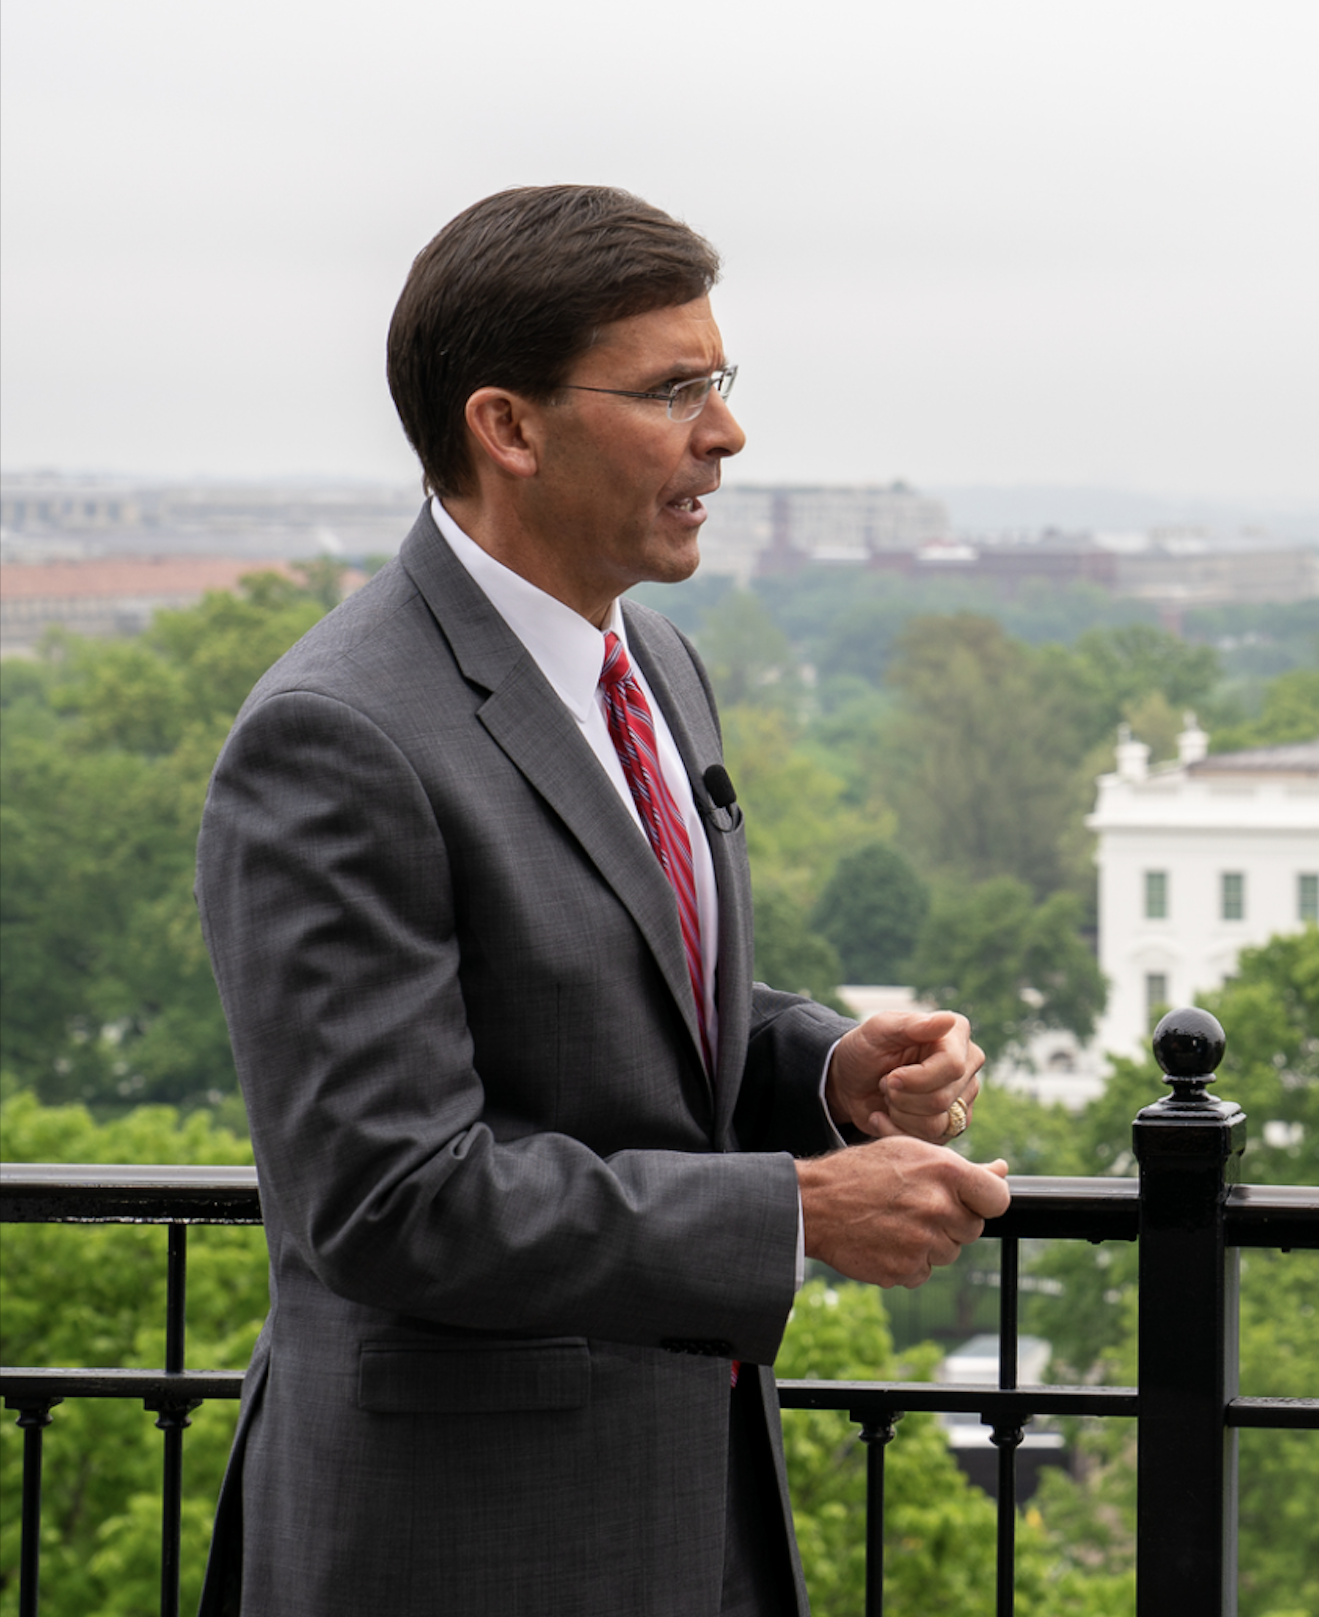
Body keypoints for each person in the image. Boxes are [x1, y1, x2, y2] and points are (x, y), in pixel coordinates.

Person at [194, 185, 1013, 1616]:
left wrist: (820, 1063)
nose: (727, 433)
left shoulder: (656, 666)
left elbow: (606, 979)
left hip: (689, 1512)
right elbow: (390, 1196)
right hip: (461, 1543)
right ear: (507, 428)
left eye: (722, 381)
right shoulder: (338, 733)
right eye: (672, 390)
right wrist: (794, 1213)